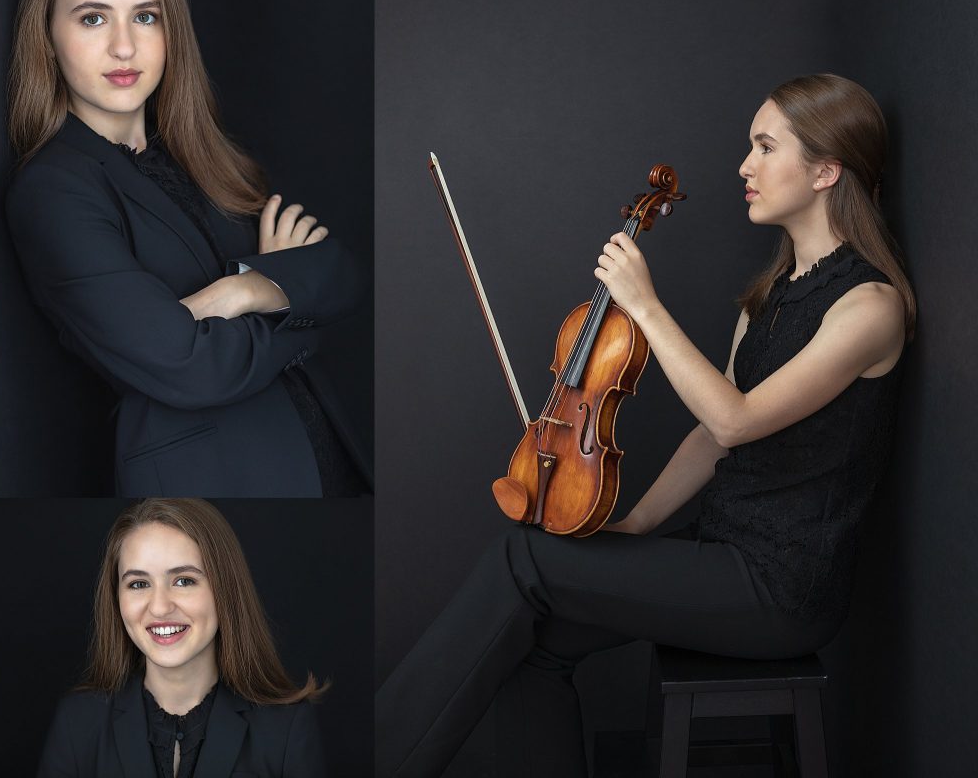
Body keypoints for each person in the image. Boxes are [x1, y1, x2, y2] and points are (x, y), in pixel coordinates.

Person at [376, 73, 915, 777]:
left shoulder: (868, 307)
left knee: (520, 557)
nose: (744, 166)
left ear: (825, 170)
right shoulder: (770, 298)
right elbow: (709, 437)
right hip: (720, 551)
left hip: (783, 589)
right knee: (530, 640)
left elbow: (735, 421)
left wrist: (646, 306)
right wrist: (632, 527)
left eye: (764, 147)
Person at [5, 0, 369, 497]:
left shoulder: (200, 154)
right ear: (46, 35)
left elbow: (343, 274)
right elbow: (192, 366)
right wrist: (295, 302)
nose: (125, 46)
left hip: (328, 465)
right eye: (93, 18)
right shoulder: (53, 191)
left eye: (145, 16)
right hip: (226, 485)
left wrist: (246, 290)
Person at [37, 498, 326, 778]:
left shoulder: (287, 728)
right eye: (138, 584)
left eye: (184, 581)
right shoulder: (77, 723)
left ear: (225, 589)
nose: (160, 607)